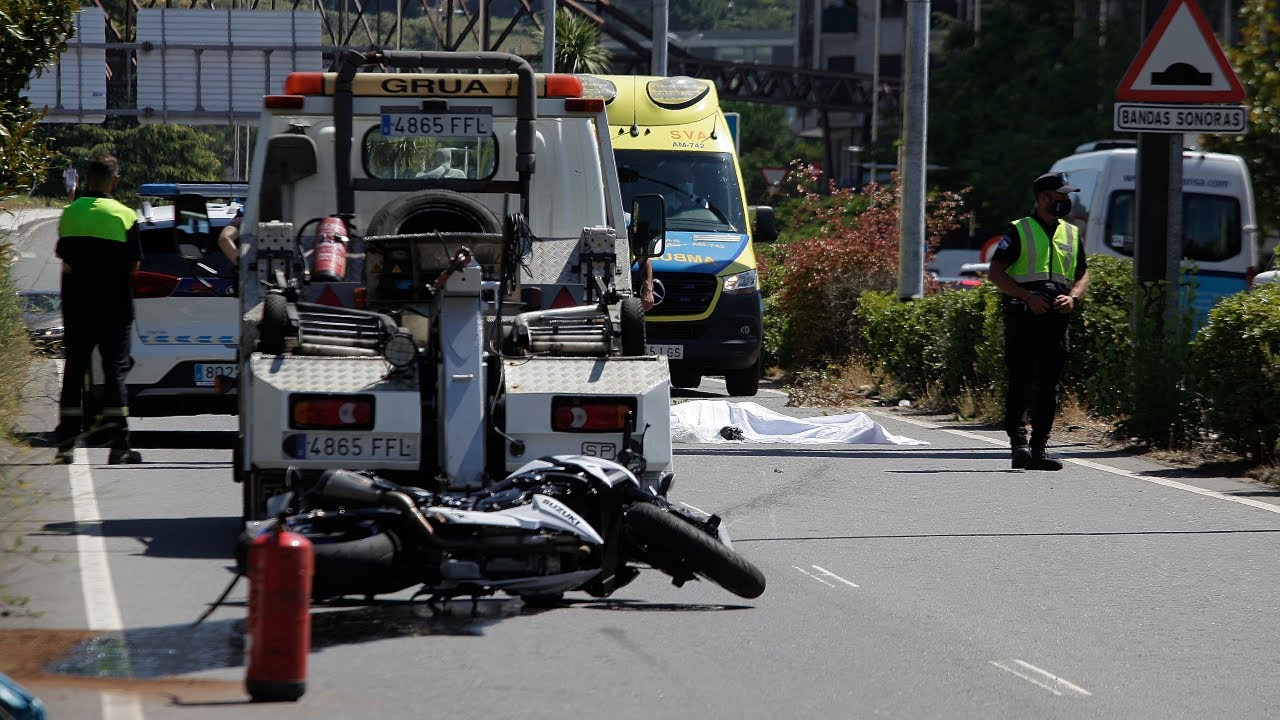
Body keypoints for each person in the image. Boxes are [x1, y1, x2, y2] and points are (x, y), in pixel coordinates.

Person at [986, 172, 1090, 472]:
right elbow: (996, 273)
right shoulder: (1020, 230)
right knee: (1021, 379)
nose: (1066, 201)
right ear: (1044, 197)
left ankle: (1039, 449)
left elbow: (1083, 273)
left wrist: (1073, 298)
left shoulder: (1070, 233)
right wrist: (1027, 296)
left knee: (1049, 386)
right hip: (1023, 316)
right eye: (1061, 196)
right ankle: (1019, 444)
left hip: (1056, 320)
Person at [54, 154, 144, 465]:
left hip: (77, 307)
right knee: (114, 372)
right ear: (115, 180)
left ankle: (65, 442)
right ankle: (119, 445)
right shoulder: (126, 216)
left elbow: (65, 257)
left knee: (75, 370)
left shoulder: (70, 213)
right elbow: (134, 264)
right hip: (114, 307)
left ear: (86, 180)